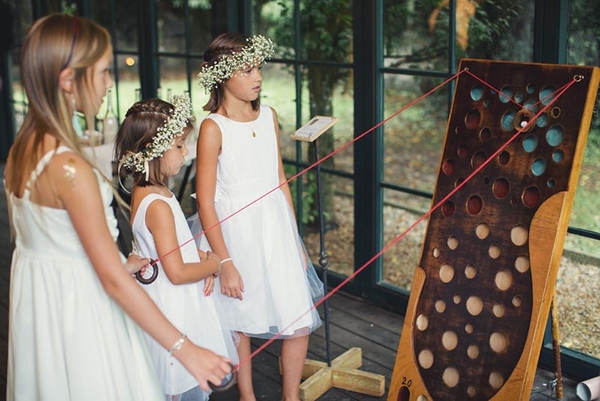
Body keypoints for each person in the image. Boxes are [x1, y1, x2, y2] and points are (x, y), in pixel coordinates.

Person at [4, 13, 231, 400]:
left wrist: (120, 263)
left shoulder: (21, 151)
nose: (110, 83)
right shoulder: (70, 168)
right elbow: (110, 280)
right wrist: (185, 348)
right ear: (68, 81)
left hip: (43, 312)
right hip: (82, 312)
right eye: (104, 72)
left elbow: (50, 246)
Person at [192, 32, 324, 401]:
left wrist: (294, 239)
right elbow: (205, 202)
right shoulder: (212, 128)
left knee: (297, 315)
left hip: (275, 228)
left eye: (258, 68)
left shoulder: (269, 116)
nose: (258, 77)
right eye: (247, 70)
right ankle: (247, 395)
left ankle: (290, 396)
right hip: (235, 234)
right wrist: (225, 262)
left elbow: (279, 180)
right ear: (223, 76)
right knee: (240, 319)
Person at [114, 95, 239, 401]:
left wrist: (199, 255)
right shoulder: (157, 204)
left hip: (167, 299)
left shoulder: (147, 191)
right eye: (180, 145)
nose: (186, 152)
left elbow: (165, 250)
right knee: (175, 386)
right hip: (174, 308)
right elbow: (177, 272)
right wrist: (214, 264)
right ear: (153, 149)